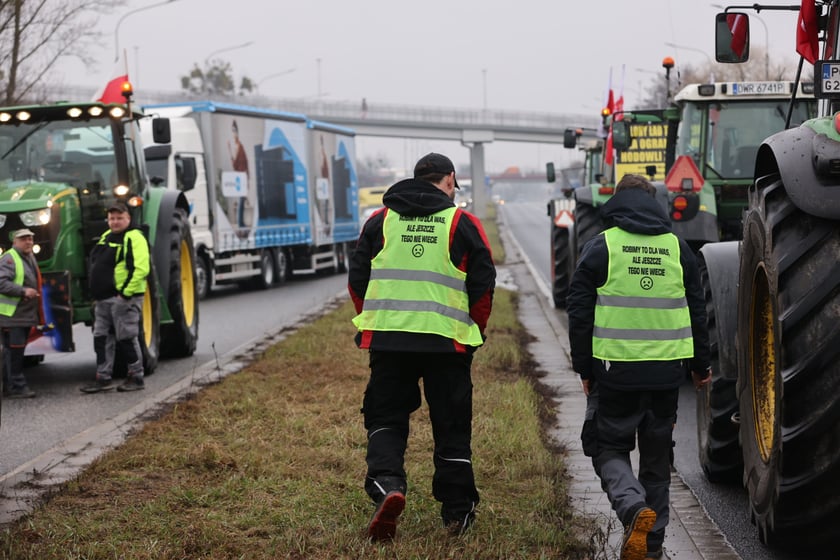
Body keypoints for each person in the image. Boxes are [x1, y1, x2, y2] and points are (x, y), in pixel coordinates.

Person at [348, 152, 495, 541]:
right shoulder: (462, 223)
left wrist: (373, 320)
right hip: (448, 343)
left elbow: (357, 277)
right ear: (449, 180)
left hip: (388, 340)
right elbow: (483, 285)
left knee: (385, 416)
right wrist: (473, 332)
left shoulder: (380, 222)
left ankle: (387, 487)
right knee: (451, 424)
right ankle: (457, 512)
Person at [566, 174, 711, 560]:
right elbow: (698, 311)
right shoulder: (677, 249)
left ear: (617, 203)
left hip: (615, 374)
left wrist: (584, 368)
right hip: (667, 376)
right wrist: (701, 366)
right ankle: (651, 545)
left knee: (606, 447)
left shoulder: (602, 247)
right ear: (654, 202)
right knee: (657, 458)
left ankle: (633, 509)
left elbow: (579, 311)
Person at [81, 202, 150, 394]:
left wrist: (126, 294)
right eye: (112, 218)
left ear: (128, 218)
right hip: (103, 299)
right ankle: (103, 378)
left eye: (119, 218)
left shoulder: (134, 237)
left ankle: (136, 377)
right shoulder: (106, 236)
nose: (115, 222)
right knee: (101, 338)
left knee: (127, 337)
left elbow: (141, 268)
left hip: (123, 299)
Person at [0, 228, 43, 399]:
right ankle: (16, 386)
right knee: (14, 352)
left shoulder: (28, 257)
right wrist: (23, 291)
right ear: (15, 242)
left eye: (30, 239)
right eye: (24, 239)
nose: (28, 242)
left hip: (20, 315)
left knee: (14, 352)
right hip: (11, 316)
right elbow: (1, 282)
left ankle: (11, 385)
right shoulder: (10, 258)